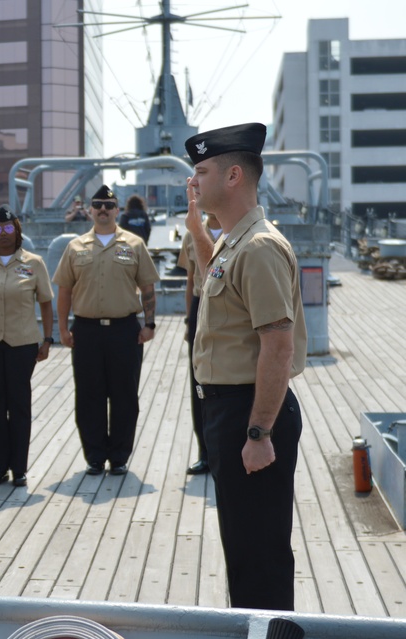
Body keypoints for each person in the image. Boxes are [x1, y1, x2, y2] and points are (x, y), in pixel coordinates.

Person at [184, 122, 307, 611]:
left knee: (260, 555)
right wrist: (197, 231)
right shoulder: (235, 242)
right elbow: (219, 274)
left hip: (250, 413)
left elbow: (277, 347)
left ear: (234, 175)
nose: (194, 181)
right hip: (231, 411)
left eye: (202, 170)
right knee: (243, 548)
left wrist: (259, 433)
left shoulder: (258, 248)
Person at [53, 185, 159, 476]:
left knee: (125, 395)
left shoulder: (135, 245)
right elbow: (64, 291)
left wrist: (149, 324)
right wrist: (62, 329)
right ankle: (95, 457)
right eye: (97, 204)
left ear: (117, 210)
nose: (102, 209)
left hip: (124, 330)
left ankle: (120, 457)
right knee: (89, 395)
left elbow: (148, 287)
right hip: (86, 331)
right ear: (89, 209)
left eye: (108, 205)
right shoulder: (75, 247)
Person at [0, 205, 54, 487]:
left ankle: (19, 468)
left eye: (8, 228)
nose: (3, 234)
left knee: (19, 404)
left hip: (22, 343)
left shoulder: (34, 263)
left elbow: (46, 303)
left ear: (17, 231)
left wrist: (48, 338)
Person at [177, 211, 223, 475]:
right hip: (200, 304)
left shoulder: (237, 231)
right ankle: (204, 452)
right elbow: (190, 280)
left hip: (229, 304)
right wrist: (188, 321)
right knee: (199, 380)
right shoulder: (192, 234)